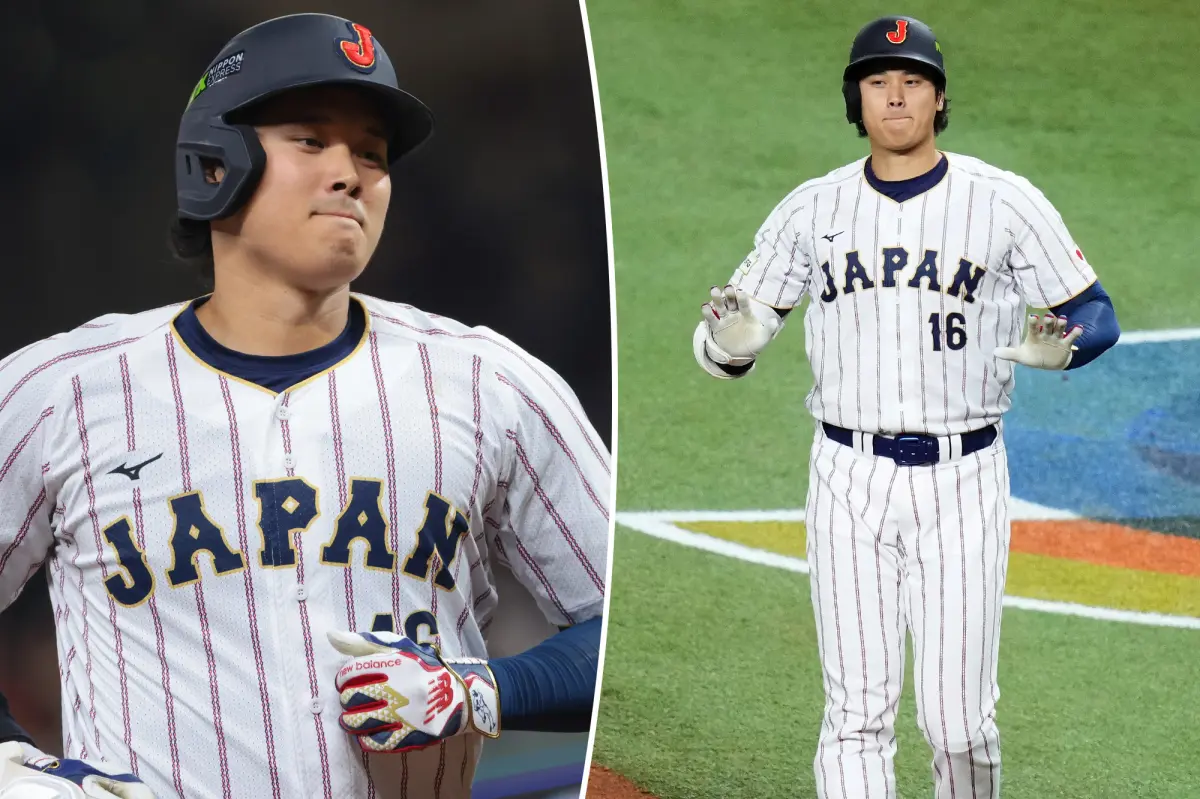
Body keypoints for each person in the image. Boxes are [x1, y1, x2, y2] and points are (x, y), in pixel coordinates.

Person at [0, 13, 609, 799]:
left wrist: (482, 690)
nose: (351, 173)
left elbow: (633, 629)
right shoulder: (62, 391)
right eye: (312, 141)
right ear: (215, 163)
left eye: (372, 153)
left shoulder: (491, 383)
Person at [694, 15, 1119, 799]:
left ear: (939, 98)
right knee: (855, 714)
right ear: (855, 101)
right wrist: (731, 341)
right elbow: (725, 345)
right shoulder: (809, 212)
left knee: (960, 724)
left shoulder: (1003, 203)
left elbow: (1096, 311)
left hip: (965, 479)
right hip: (846, 477)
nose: (895, 96)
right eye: (878, 82)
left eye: (912, 81)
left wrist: (1069, 344)